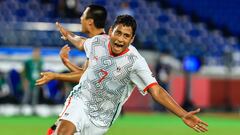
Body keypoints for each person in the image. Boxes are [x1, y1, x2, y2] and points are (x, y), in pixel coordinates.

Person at [36, 15, 208, 135]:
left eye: (126, 36)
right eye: (118, 33)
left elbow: (156, 90)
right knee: (63, 131)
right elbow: (81, 43)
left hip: (102, 120)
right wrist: (68, 35)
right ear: (111, 31)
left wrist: (182, 114)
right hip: (80, 101)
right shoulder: (98, 42)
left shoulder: (135, 62)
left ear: (132, 39)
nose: (120, 39)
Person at [45, 5, 107, 135]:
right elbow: (85, 74)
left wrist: (55, 76)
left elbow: (83, 76)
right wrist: (66, 62)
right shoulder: (101, 42)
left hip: (84, 105)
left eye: (83, 15)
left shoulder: (98, 44)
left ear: (90, 21)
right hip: (93, 109)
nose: (80, 18)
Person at [22, 48, 43, 114]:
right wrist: (25, 81)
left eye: (38, 53)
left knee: (35, 96)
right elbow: (24, 72)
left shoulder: (40, 62)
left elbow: (40, 72)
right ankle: (21, 110)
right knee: (26, 96)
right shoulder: (28, 61)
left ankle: (33, 111)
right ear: (33, 53)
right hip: (29, 81)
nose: (37, 54)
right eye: (36, 53)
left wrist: (41, 81)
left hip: (36, 81)